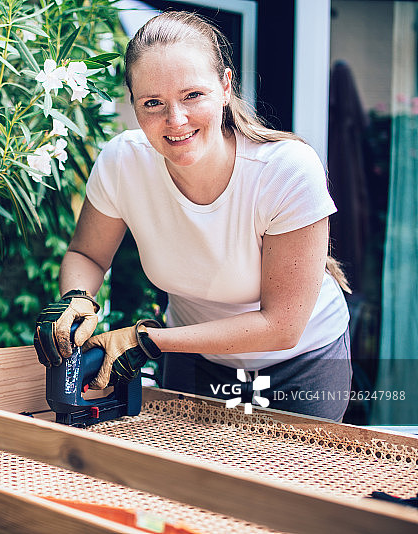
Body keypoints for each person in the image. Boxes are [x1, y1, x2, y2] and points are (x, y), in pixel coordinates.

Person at [34, 11, 352, 421]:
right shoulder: (122, 162)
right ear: (133, 104)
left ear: (225, 86)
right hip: (193, 356)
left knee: (291, 482)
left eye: (192, 96)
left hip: (302, 363)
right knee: (190, 481)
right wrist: (77, 298)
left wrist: (147, 341)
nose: (175, 120)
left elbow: (282, 325)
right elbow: (88, 256)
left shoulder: (286, 170)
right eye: (153, 103)